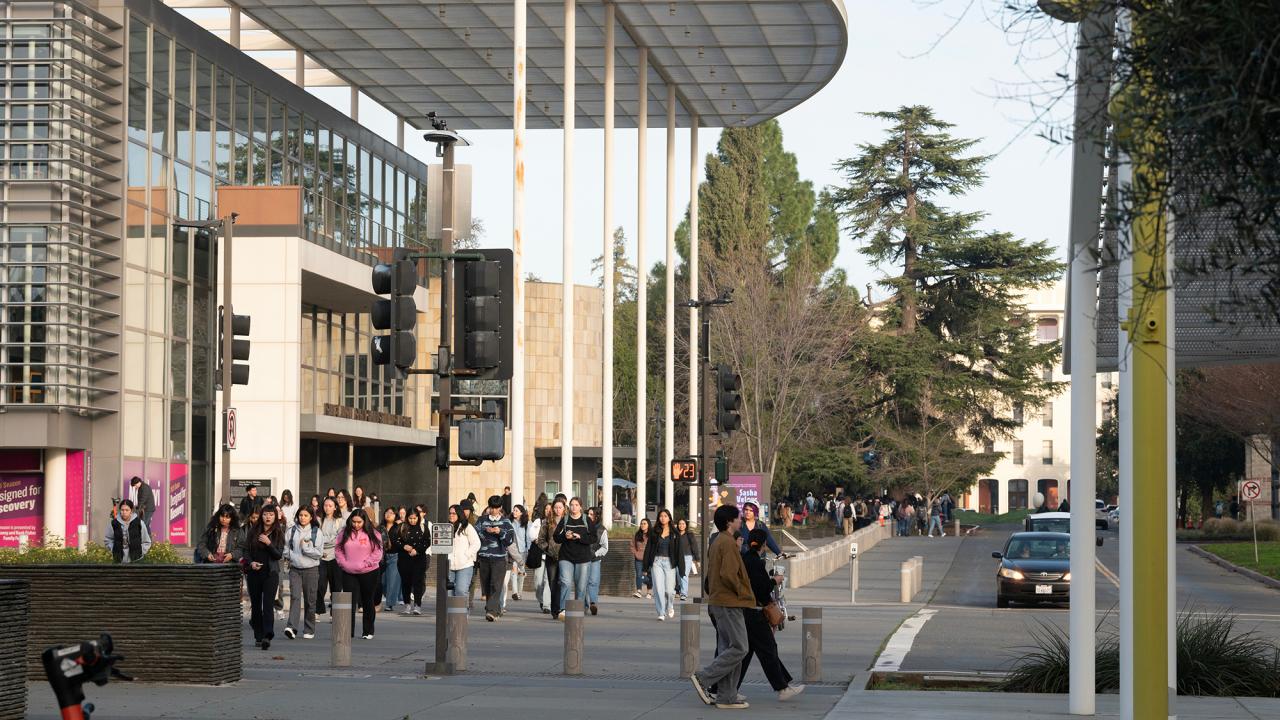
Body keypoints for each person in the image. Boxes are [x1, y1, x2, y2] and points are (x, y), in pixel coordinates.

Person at [690, 505, 754, 709]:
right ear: (729, 522)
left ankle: (727, 696)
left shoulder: (719, 540)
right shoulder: (727, 543)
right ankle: (704, 677)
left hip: (721, 601)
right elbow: (728, 574)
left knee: (730, 647)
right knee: (741, 647)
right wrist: (743, 592)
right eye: (738, 518)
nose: (741, 520)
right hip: (729, 602)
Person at [738, 528, 805, 701]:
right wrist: (774, 581)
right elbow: (760, 588)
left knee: (747, 654)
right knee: (768, 649)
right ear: (764, 544)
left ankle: (729, 688)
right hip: (754, 613)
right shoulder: (756, 561)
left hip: (747, 612)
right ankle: (782, 688)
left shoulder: (746, 558)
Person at [335, 508, 382, 639]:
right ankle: (348, 631)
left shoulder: (373, 533)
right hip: (348, 571)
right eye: (354, 522)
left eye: (359, 522)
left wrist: (365, 564)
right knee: (349, 601)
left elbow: (377, 553)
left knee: (367, 600)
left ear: (364, 521)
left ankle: (368, 631)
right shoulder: (344, 532)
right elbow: (338, 549)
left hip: (369, 571)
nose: (356, 525)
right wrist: (344, 563)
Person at [243, 504, 285, 650]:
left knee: (268, 605)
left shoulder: (278, 532)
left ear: (275, 517)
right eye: (266, 514)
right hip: (254, 573)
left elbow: (278, 554)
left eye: (271, 515)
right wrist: (251, 563)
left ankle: (268, 635)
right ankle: (258, 635)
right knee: (256, 605)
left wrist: (269, 544)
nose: (268, 517)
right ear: (261, 515)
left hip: (270, 573)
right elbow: (246, 551)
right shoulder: (253, 530)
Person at [284, 506, 322, 640]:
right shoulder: (291, 530)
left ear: (311, 517)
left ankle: (309, 628)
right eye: (301, 515)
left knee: (310, 600)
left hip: (311, 570)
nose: (303, 518)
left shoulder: (316, 532)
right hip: (295, 569)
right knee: (295, 597)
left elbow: (318, 553)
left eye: (306, 515)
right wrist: (291, 556)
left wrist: (305, 548)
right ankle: (291, 627)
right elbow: (286, 548)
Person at [475, 495, 515, 621]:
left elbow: (509, 540)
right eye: (491, 507)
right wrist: (485, 533)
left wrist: (500, 532)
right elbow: (475, 535)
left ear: (500, 508)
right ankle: (496, 610)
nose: (493, 510)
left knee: (496, 585)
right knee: (486, 585)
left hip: (499, 558)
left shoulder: (506, 522)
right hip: (484, 557)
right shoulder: (481, 520)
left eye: (496, 508)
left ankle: (491, 611)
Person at [554, 497, 595, 621]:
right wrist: (565, 536)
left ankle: (577, 610)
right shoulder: (565, 519)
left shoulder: (586, 519)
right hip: (566, 556)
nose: (573, 507)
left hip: (583, 558)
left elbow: (593, 538)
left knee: (581, 586)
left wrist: (580, 537)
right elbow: (556, 537)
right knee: (565, 582)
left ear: (581, 507)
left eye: (576, 505)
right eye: (571, 505)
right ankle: (563, 610)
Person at [644, 509, 684, 620]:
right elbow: (648, 549)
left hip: (669, 563)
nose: (663, 518)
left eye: (665, 516)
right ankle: (661, 612)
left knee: (670, 590)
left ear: (669, 518)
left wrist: (681, 568)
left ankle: (670, 605)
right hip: (656, 562)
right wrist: (646, 566)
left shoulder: (674, 532)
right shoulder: (654, 531)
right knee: (658, 589)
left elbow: (679, 551)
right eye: (661, 516)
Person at [396, 507, 431, 615]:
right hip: (404, 560)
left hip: (419, 559)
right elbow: (395, 541)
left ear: (418, 518)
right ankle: (407, 605)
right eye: (410, 518)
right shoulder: (402, 527)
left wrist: (417, 550)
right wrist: (403, 546)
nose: (412, 520)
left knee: (418, 582)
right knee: (406, 582)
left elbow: (427, 542)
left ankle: (417, 605)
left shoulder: (423, 527)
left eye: (414, 518)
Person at [536, 498, 566, 617]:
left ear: (564, 509)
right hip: (551, 556)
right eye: (556, 507)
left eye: (560, 507)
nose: (558, 510)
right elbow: (541, 539)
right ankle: (555, 609)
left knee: (563, 582)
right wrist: (547, 548)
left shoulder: (568, 521)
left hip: (565, 556)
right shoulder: (547, 522)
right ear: (552, 509)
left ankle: (561, 607)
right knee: (553, 582)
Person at [316, 496, 343, 615]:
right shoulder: (318, 520)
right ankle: (318, 610)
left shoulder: (340, 521)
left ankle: (335, 613)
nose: (327, 508)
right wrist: (326, 540)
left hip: (335, 557)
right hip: (321, 556)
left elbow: (339, 539)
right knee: (320, 585)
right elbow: (316, 537)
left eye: (330, 506)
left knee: (336, 587)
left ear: (335, 507)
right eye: (325, 505)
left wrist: (324, 540)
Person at [446, 504, 480, 599]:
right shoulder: (445, 527)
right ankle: (450, 614)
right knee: (448, 593)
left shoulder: (466, 527)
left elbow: (476, 543)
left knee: (460, 590)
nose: (451, 515)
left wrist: (467, 555)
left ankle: (463, 613)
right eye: (449, 513)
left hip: (465, 565)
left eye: (454, 513)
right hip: (448, 565)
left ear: (459, 514)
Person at [105, 499, 151, 564]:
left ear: (131, 511)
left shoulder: (139, 523)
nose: (124, 512)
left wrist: (140, 552)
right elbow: (108, 539)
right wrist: (113, 550)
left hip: (136, 560)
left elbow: (146, 541)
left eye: (127, 510)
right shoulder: (114, 523)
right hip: (118, 560)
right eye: (122, 510)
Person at [503, 504, 530, 610]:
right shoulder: (509, 522)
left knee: (521, 572)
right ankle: (514, 592)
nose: (514, 512)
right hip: (512, 550)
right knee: (514, 571)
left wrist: (529, 549)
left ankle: (519, 592)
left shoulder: (526, 524)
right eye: (514, 510)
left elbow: (527, 538)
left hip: (523, 550)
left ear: (522, 513)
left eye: (517, 510)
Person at [585, 506, 608, 615]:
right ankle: (585, 605)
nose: (588, 516)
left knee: (593, 581)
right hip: (582, 558)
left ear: (597, 516)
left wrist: (595, 553)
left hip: (595, 559)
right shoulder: (583, 526)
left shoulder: (602, 530)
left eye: (591, 514)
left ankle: (593, 603)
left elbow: (605, 547)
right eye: (588, 514)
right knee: (583, 582)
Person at [379, 507, 402, 611]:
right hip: (382, 557)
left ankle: (390, 603)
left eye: (391, 513)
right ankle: (388, 596)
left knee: (392, 581)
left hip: (395, 556)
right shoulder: (380, 528)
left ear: (395, 515)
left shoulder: (399, 527)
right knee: (383, 582)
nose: (388, 514)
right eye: (387, 512)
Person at [528, 502, 549, 613]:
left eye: (551, 509)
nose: (548, 511)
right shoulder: (538, 521)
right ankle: (541, 600)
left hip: (550, 555)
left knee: (547, 580)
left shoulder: (555, 523)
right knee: (538, 582)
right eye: (546, 509)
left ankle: (547, 605)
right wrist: (539, 539)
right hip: (539, 555)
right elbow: (532, 535)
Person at [675, 518, 700, 601]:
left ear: (686, 525)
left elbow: (694, 546)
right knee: (678, 576)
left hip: (687, 557)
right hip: (677, 557)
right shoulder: (676, 534)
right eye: (680, 524)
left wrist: (697, 559)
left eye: (683, 524)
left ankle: (684, 593)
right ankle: (679, 591)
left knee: (684, 575)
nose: (681, 525)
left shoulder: (689, 534)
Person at [630, 518, 651, 599]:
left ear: (648, 525)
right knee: (639, 575)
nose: (642, 525)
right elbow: (632, 545)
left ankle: (649, 592)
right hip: (638, 559)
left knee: (649, 575)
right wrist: (635, 553)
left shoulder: (652, 535)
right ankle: (639, 591)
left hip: (649, 559)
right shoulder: (637, 534)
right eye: (641, 523)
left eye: (644, 523)